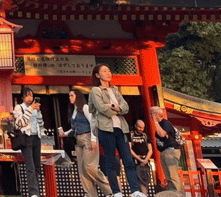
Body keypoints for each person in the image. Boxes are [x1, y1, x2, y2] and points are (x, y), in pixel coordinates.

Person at [88, 64, 145, 197]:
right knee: (111, 161)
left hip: (121, 128)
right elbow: (102, 108)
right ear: (97, 75)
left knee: (128, 160)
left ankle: (135, 190)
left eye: (109, 70)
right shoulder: (96, 90)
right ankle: (116, 191)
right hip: (106, 128)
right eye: (104, 71)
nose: (108, 73)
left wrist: (114, 107)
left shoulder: (115, 90)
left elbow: (126, 108)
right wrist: (115, 108)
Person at [59, 88, 111, 197]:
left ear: (77, 96)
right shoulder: (74, 110)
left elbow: (93, 123)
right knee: (82, 170)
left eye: (72, 95)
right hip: (78, 139)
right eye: (69, 96)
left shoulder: (85, 107)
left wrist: (93, 139)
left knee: (90, 167)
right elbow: (74, 128)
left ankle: (108, 190)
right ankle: (91, 194)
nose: (70, 98)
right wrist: (65, 134)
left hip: (88, 137)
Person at [13, 88, 44, 197]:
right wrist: (30, 109)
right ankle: (33, 193)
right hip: (26, 138)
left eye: (31, 95)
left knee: (37, 166)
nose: (30, 98)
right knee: (30, 166)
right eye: (27, 96)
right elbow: (20, 123)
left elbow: (41, 124)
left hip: (37, 137)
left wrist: (38, 112)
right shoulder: (19, 107)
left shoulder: (35, 108)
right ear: (22, 97)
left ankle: (36, 190)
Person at [149, 106, 183, 195]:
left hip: (170, 150)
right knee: (168, 176)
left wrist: (155, 121)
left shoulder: (165, 123)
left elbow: (162, 134)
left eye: (151, 114)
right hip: (164, 151)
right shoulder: (160, 124)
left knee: (173, 175)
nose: (150, 116)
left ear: (156, 114)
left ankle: (179, 194)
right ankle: (173, 194)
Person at [129, 120, 152, 196]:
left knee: (145, 180)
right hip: (136, 160)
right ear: (136, 126)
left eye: (142, 128)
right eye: (139, 127)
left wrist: (145, 160)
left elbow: (150, 150)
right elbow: (130, 149)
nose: (141, 129)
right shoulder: (131, 135)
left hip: (145, 160)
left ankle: (145, 194)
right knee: (138, 179)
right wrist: (139, 159)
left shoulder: (145, 135)